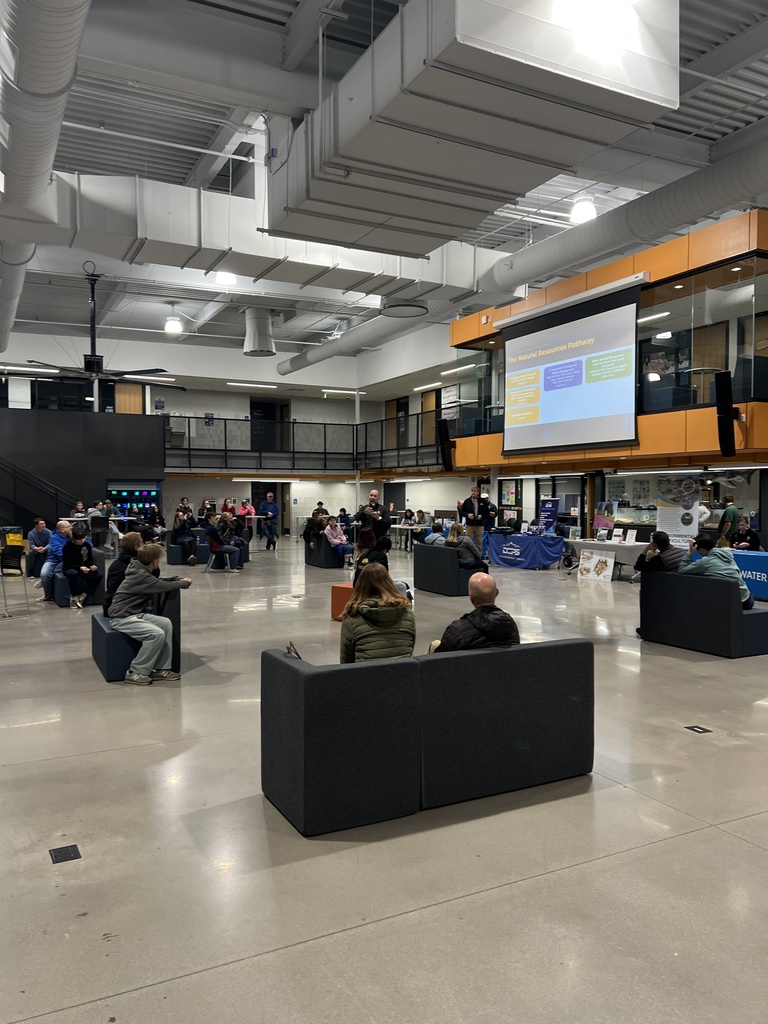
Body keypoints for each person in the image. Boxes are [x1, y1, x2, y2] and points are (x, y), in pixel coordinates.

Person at [108, 543, 192, 684]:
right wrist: (184, 583)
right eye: (158, 559)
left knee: (165, 623)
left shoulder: (140, 570)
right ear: (154, 561)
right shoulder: (141, 575)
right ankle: (136, 672)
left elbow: (158, 582)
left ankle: (160, 668)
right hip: (121, 617)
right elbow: (162, 585)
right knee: (156, 634)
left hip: (134, 614)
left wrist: (176, 578)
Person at [339, 563, 416, 663]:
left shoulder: (352, 618)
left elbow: (346, 662)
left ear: (360, 584)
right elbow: (410, 648)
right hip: (403, 671)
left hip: (367, 672)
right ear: (389, 582)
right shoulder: (408, 614)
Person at [430, 572, 520, 653]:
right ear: (496, 592)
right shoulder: (510, 625)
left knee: (435, 644)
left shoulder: (457, 629)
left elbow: (440, 659)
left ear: (472, 598)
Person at [679, 533, 754, 609]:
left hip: (738, 602)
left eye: (697, 550)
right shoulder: (725, 554)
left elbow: (682, 569)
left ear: (702, 549)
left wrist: (690, 551)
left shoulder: (705, 562)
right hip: (747, 597)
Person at [61, 524, 103, 609]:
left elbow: (89, 559)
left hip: (84, 568)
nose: (81, 541)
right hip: (70, 567)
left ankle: (83, 595)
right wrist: (79, 567)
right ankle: (73, 597)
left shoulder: (87, 545)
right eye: (79, 539)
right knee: (73, 574)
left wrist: (91, 566)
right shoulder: (67, 547)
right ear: (74, 539)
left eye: (83, 538)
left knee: (98, 575)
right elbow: (68, 562)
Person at [103, 532, 146, 615]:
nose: (144, 546)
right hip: (120, 609)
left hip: (109, 604)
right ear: (137, 547)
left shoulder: (117, 563)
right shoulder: (135, 565)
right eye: (142, 543)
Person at [35, 520, 72, 603]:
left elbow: (86, 542)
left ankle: (45, 582)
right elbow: (58, 551)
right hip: (53, 560)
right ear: (62, 530)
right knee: (44, 574)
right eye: (68, 527)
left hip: (66, 560)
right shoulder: (54, 538)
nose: (71, 528)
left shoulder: (71, 536)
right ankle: (47, 595)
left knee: (54, 573)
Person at [480, 491, 498, 557]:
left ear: (487, 498)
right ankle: (482, 554)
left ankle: (490, 555)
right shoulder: (480, 505)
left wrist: (488, 511)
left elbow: (494, 514)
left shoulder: (492, 506)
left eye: (484, 498)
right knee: (481, 540)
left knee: (489, 541)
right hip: (481, 525)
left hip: (489, 526)